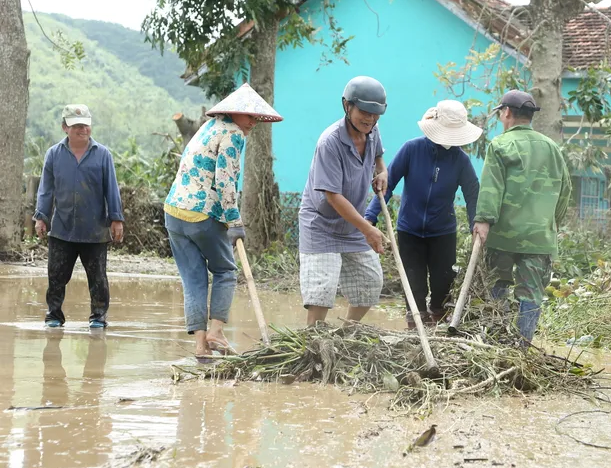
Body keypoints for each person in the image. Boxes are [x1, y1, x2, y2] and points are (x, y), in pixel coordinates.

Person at [163, 83, 283, 357]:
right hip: (203, 214)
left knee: (193, 280)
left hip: (174, 213)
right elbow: (225, 180)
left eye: (256, 117)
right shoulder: (233, 133)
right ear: (234, 112)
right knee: (225, 272)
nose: (253, 122)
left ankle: (200, 346)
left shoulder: (208, 128)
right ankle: (216, 334)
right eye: (249, 116)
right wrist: (235, 221)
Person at [365, 99, 481, 328]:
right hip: (410, 230)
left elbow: (472, 193)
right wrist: (370, 216)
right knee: (414, 284)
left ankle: (438, 323)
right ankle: (416, 328)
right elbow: (387, 184)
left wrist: (475, 224)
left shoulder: (460, 160)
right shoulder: (412, 149)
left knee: (442, 284)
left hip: (443, 233)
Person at [473, 90, 571, 345]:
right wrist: (551, 223)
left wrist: (482, 221)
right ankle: (522, 346)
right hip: (540, 237)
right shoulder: (552, 148)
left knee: (498, 286)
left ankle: (495, 341)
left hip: (503, 236)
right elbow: (565, 191)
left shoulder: (500, 145)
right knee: (531, 294)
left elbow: (491, 188)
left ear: (506, 112)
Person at [298, 76, 389, 326]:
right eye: (364, 112)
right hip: (321, 223)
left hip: (352, 225)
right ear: (347, 106)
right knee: (321, 291)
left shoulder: (372, 131)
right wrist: (368, 229)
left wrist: (382, 171)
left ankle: (349, 330)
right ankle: (315, 342)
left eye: (375, 114)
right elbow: (333, 196)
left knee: (370, 282)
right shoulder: (329, 142)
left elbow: (379, 156)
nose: (370, 119)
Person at [34, 104, 125, 330]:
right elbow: (46, 189)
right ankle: (53, 316)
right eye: (76, 126)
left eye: (85, 125)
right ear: (65, 127)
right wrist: (41, 217)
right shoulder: (53, 154)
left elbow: (111, 189)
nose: (82, 129)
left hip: (94, 229)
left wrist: (116, 219)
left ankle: (98, 317)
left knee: (98, 279)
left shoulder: (103, 155)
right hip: (62, 228)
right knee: (56, 277)